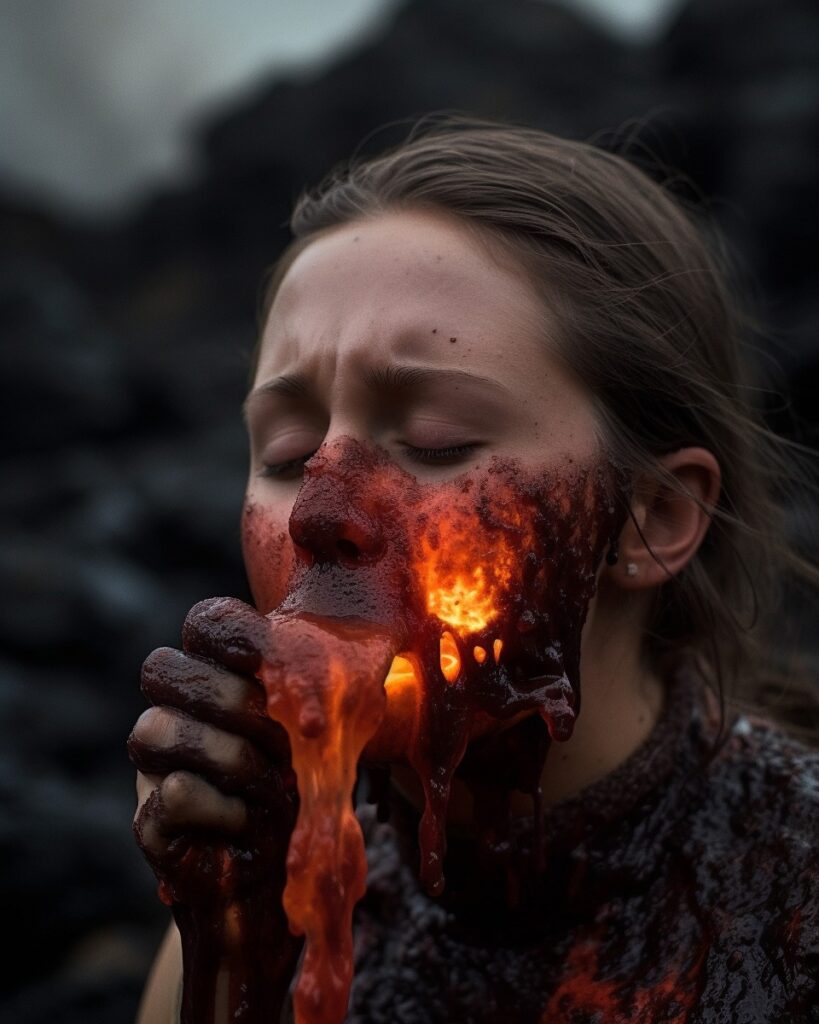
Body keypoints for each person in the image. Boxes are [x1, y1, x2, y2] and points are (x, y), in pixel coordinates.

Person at [127, 117, 819, 1023]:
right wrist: (234, 959)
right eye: (290, 454)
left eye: (434, 444)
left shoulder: (793, 910)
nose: (319, 514)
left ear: (654, 518)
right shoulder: (268, 887)